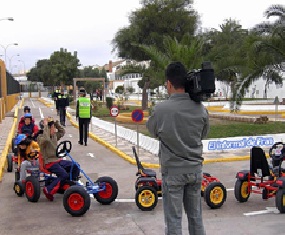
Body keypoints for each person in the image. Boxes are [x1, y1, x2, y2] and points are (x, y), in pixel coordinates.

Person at [146, 62, 209, 235]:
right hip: (195, 171)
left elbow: (152, 130)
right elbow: (203, 134)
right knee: (196, 218)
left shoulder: (161, 109)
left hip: (173, 172)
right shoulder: (200, 109)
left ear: (169, 83)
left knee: (174, 220)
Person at [37, 117, 80, 201]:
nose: (54, 129)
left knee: (75, 166)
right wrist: (46, 126)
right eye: (52, 128)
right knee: (63, 174)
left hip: (58, 160)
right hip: (49, 163)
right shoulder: (40, 138)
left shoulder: (54, 136)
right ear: (47, 129)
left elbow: (62, 132)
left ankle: (70, 185)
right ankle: (48, 189)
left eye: (54, 127)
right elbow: (46, 139)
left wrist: (56, 123)